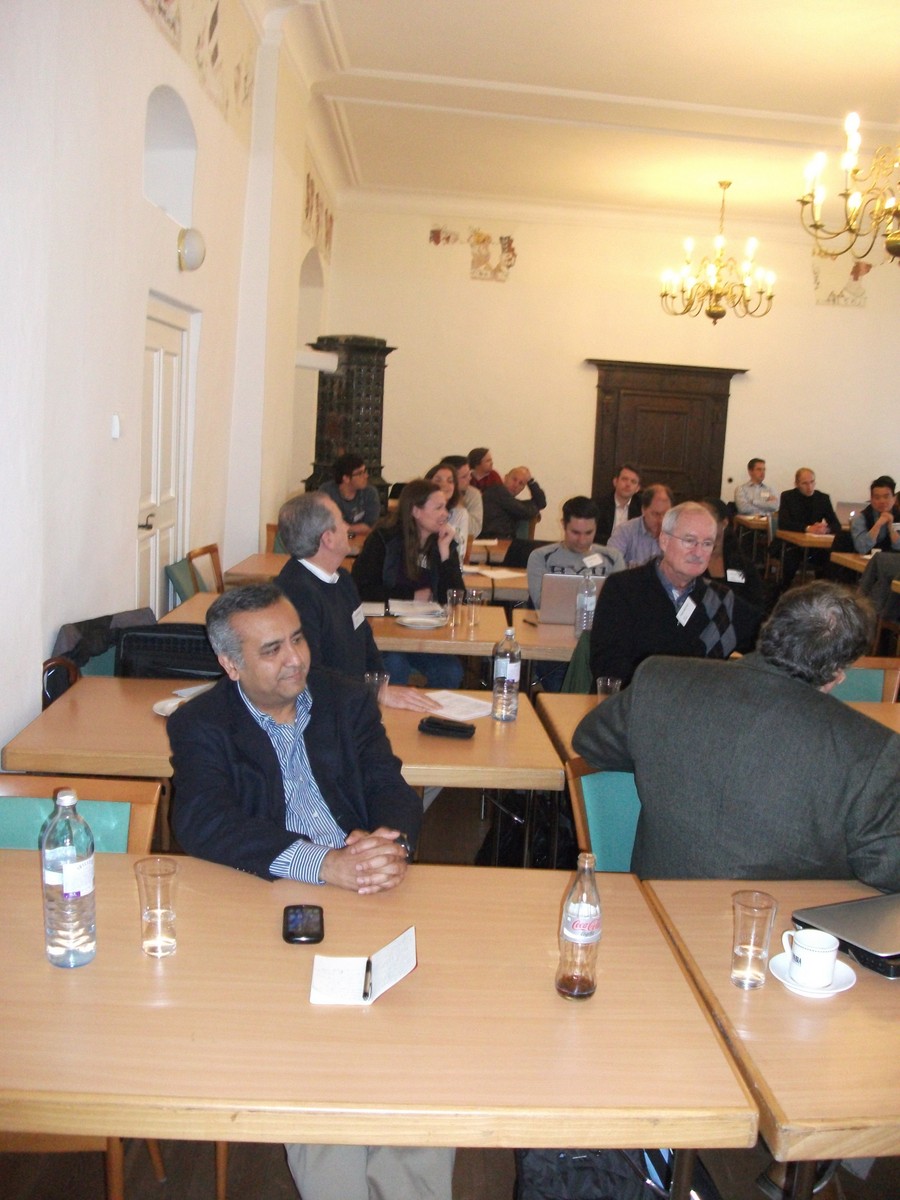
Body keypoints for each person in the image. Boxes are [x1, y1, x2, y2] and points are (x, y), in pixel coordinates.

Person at [168, 584, 454, 1200]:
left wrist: (391, 844)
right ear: (231, 665)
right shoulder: (202, 723)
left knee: (418, 1053)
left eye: (296, 638)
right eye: (271, 649)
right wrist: (322, 864)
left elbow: (389, 782)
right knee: (320, 1066)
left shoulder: (344, 698)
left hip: (372, 894)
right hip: (276, 912)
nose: (294, 658)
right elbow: (201, 821)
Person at [573, 581, 900, 890]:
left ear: (768, 628)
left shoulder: (659, 678)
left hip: (656, 911)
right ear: (838, 673)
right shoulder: (872, 749)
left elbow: (589, 743)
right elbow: (888, 870)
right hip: (787, 926)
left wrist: (667, 754)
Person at [275, 492, 438, 712]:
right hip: (324, 712)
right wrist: (373, 693)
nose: (347, 527)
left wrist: (380, 686)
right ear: (328, 538)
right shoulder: (296, 594)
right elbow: (311, 675)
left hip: (355, 702)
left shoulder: (342, 578)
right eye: (341, 521)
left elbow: (365, 639)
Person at [590, 501, 761, 687]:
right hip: (636, 701)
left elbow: (771, 639)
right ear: (664, 540)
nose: (698, 552)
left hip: (698, 703)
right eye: (689, 541)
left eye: (707, 544)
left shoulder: (720, 600)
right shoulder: (623, 589)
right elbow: (607, 666)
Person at [351, 478, 464, 688]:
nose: (445, 514)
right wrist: (411, 596)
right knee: (395, 665)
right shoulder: (383, 539)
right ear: (416, 511)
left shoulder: (443, 542)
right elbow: (361, 589)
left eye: (445, 507)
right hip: (386, 632)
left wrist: (445, 553)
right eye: (438, 508)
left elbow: (456, 598)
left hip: (427, 633)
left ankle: (431, 711)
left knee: (451, 671)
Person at [526, 495, 625, 607]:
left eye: (588, 533)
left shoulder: (614, 558)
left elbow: (618, 603)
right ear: (563, 525)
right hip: (556, 617)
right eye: (575, 533)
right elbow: (541, 604)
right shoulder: (540, 557)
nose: (582, 540)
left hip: (599, 618)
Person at [778, 467, 840, 587]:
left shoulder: (823, 498)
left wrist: (825, 529)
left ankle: (822, 589)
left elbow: (836, 525)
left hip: (815, 547)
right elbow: (783, 523)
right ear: (796, 484)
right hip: (792, 544)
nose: (809, 487)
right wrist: (807, 528)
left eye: (812, 482)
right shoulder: (788, 497)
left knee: (831, 559)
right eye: (805, 483)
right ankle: (784, 589)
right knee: (790, 559)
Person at [701, 498, 765, 611]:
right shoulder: (688, 561)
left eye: (706, 520)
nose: (699, 525)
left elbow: (756, 606)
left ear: (724, 523)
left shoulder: (742, 563)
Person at [607, 483, 673, 567]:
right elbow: (610, 562)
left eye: (666, 514)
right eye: (656, 514)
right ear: (643, 510)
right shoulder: (625, 531)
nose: (661, 520)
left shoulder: (676, 533)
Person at [319, 453, 381, 537]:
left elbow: (371, 526)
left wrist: (345, 528)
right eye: (360, 473)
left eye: (365, 471)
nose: (366, 476)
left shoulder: (370, 493)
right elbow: (322, 523)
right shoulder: (327, 492)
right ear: (346, 478)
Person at [481, 466, 547, 539]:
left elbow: (541, 503)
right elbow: (525, 511)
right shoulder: (497, 492)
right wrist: (535, 507)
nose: (516, 485)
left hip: (504, 541)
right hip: (490, 541)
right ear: (506, 477)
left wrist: (530, 481)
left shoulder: (511, 502)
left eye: (521, 483)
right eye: (514, 479)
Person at [425, 461, 469, 559]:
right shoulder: (421, 512)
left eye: (450, 481)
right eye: (438, 480)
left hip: (448, 564)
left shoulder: (460, 514)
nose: (444, 485)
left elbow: (460, 552)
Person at [850, 475, 900, 554]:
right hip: (868, 560)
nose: (882, 501)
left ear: (894, 498)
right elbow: (861, 548)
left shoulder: (898, 515)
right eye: (877, 497)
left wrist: (891, 528)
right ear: (871, 499)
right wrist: (878, 524)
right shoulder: (861, 518)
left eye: (886, 497)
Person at [594, 463, 642, 544]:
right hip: (604, 547)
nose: (628, 484)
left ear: (637, 488)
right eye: (624, 479)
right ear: (615, 482)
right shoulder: (599, 505)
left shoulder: (642, 507)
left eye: (633, 482)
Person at [441, 453, 483, 538]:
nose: (470, 478)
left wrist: (457, 500)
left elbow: (474, 530)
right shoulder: (433, 495)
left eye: (469, 474)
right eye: (464, 476)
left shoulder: (473, 494)